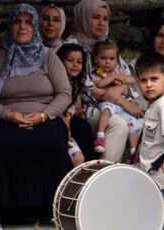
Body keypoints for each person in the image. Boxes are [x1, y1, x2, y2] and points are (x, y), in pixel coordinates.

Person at [0, 4, 73, 229]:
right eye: (17, 22)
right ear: (10, 26)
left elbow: (64, 93)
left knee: (51, 140)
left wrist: (43, 115)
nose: (22, 27)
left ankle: (57, 207)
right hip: (7, 117)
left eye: (28, 22)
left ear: (35, 27)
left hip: (44, 116)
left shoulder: (48, 57)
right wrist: (7, 114)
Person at [68, 0, 145, 161]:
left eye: (105, 19)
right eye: (95, 17)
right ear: (83, 17)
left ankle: (124, 166)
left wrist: (121, 89)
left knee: (141, 122)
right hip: (82, 108)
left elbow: (125, 80)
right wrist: (121, 99)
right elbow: (89, 89)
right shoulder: (72, 47)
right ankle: (104, 175)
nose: (101, 23)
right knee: (119, 124)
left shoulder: (106, 46)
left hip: (110, 105)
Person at [135, 52, 164, 230]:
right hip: (152, 175)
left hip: (163, 178)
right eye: (143, 80)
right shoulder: (154, 104)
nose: (149, 85)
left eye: (154, 79)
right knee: (154, 217)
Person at [90, 40, 141, 158]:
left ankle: (133, 152)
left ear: (116, 60)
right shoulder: (96, 73)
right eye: (103, 58)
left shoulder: (118, 71)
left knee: (132, 122)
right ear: (96, 59)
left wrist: (124, 79)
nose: (108, 62)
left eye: (112, 59)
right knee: (106, 111)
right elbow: (100, 84)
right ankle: (100, 136)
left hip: (120, 106)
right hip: (106, 103)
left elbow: (128, 84)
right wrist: (115, 77)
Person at [56, 43, 87, 166]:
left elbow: (70, 110)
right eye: (70, 60)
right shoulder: (54, 83)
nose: (75, 65)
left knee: (79, 158)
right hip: (55, 125)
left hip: (65, 126)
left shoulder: (74, 84)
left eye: (79, 62)